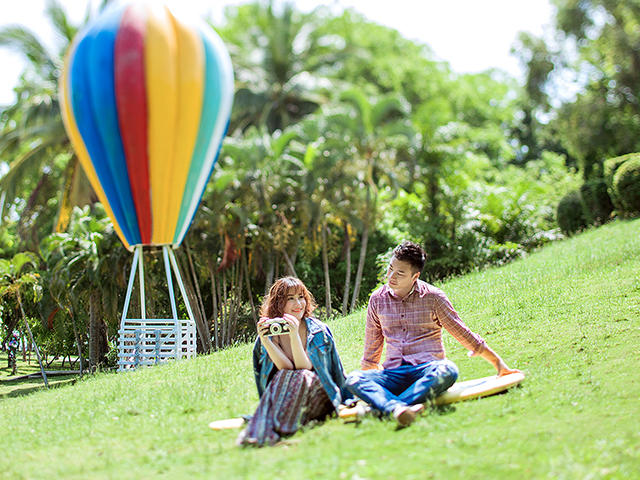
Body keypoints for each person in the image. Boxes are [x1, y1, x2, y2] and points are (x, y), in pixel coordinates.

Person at [345, 241, 520, 427]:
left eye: (400, 273)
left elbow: (462, 333)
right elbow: (372, 350)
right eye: (390, 269)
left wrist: (498, 363)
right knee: (354, 378)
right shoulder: (377, 300)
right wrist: (365, 387)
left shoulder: (434, 297)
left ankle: (390, 407)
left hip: (427, 370)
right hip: (393, 373)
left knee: (448, 370)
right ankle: (399, 407)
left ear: (415, 276)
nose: (391, 276)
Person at [237, 276, 353, 447]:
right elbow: (285, 368)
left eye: (301, 297)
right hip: (288, 394)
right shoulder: (271, 332)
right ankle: (265, 433)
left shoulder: (317, 331)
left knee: (300, 376)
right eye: (290, 299)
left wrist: (294, 335)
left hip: (319, 394)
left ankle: (272, 431)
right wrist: (267, 341)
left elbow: (304, 367)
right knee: (286, 375)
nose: (298, 304)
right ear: (278, 303)